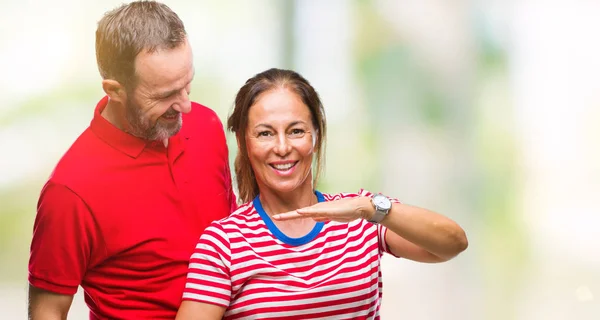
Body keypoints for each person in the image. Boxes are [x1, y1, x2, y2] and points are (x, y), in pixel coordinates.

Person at [175, 68, 469, 319]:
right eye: (265, 133)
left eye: (296, 131)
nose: (282, 147)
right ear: (244, 142)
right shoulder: (224, 243)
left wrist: (370, 210)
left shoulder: (362, 214)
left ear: (316, 136)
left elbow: (452, 244)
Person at [27, 1, 236, 319]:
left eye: (187, 86)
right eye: (165, 95)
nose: (185, 106)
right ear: (115, 90)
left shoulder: (207, 126)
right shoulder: (70, 191)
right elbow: (47, 312)